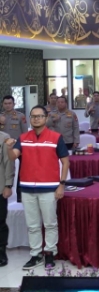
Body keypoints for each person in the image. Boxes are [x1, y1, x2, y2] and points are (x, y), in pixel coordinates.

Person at [5, 105, 69, 270]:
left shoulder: (56, 137)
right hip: (27, 188)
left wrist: (62, 185)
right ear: (30, 119)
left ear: (46, 118)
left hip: (49, 188)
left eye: (39, 116)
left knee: (50, 224)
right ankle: (36, 255)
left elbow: (65, 162)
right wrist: (9, 148)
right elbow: (13, 157)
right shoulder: (23, 137)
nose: (36, 119)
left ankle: (50, 253)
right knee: (32, 225)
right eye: (33, 116)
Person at [0, 130, 14, 267]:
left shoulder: (4, 138)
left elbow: (8, 162)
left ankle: (1, 252)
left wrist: (8, 185)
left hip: (0, 186)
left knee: (0, 221)